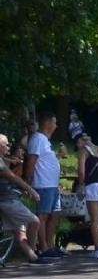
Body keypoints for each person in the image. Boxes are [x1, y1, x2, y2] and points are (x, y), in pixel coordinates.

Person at [0, 134, 45, 264]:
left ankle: (33, 257)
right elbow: (13, 177)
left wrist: (24, 191)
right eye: (6, 144)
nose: (9, 146)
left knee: (19, 232)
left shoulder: (3, 159)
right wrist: (31, 191)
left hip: (7, 198)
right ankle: (34, 252)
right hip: (7, 201)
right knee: (34, 221)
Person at [22, 112, 63, 257]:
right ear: (47, 123)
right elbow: (32, 161)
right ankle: (43, 247)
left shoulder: (45, 140)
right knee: (43, 216)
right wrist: (28, 182)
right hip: (43, 184)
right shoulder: (38, 139)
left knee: (55, 215)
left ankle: (50, 245)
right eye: (54, 122)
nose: (56, 126)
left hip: (52, 185)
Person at [74, 131, 98, 257]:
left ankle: (97, 249)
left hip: (92, 185)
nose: (77, 145)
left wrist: (80, 184)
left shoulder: (84, 151)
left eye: (77, 142)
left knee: (95, 219)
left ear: (82, 141)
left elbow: (81, 172)